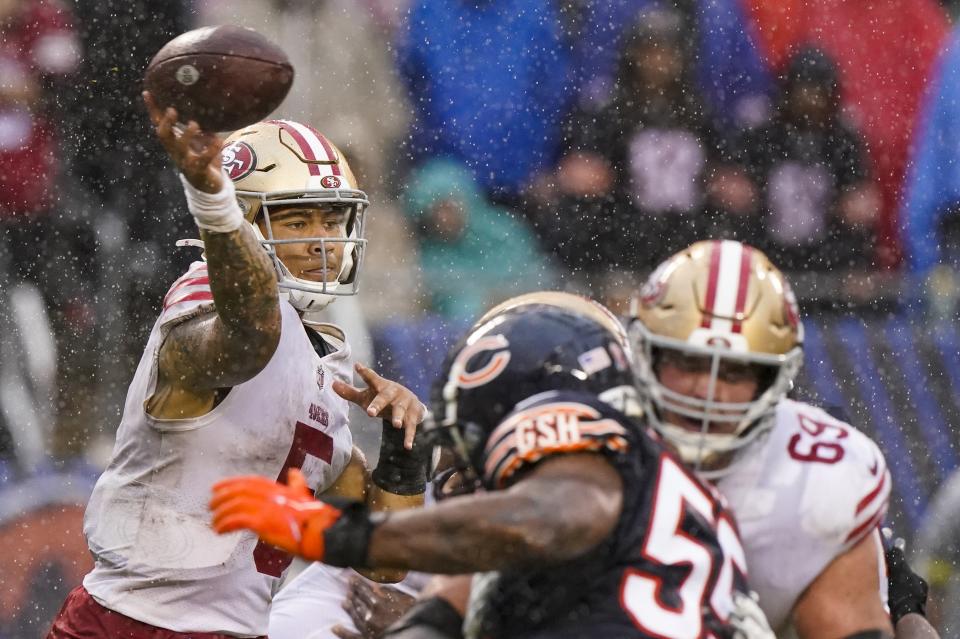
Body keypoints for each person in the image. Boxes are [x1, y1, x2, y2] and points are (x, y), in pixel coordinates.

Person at [45, 98, 429, 638]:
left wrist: (405, 449)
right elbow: (246, 341)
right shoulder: (208, 300)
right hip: (132, 623)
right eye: (297, 219)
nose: (323, 241)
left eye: (333, 217)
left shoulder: (324, 361)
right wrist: (213, 202)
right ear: (244, 224)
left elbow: (383, 560)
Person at [210, 297, 765, 638]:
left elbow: (541, 520)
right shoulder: (684, 497)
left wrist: (342, 536)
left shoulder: (571, 493)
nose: (467, 465)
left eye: (485, 435)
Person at [625, 239, 893, 638]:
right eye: (687, 362)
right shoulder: (592, 435)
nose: (707, 390)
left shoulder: (817, 479)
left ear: (772, 380)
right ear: (647, 356)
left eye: (733, 372)